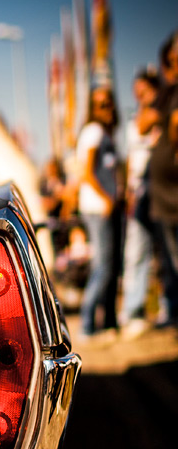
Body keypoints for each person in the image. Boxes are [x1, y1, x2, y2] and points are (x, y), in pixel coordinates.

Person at [76, 86, 122, 339]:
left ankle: (108, 322)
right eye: (100, 104)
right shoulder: (93, 131)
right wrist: (106, 199)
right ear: (92, 108)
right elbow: (86, 172)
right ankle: (87, 323)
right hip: (97, 207)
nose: (106, 108)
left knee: (110, 265)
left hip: (106, 206)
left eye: (108, 102)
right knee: (103, 266)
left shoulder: (107, 133)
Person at [120, 70, 161, 338]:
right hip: (139, 189)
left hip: (157, 187)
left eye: (143, 91)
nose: (139, 97)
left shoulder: (158, 112)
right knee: (136, 252)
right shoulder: (137, 116)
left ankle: (164, 306)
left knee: (162, 253)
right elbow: (130, 158)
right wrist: (128, 191)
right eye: (136, 92)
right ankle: (132, 310)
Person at [148, 31, 178, 327]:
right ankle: (173, 311)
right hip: (165, 193)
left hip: (172, 191)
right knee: (170, 259)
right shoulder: (169, 93)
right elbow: (144, 122)